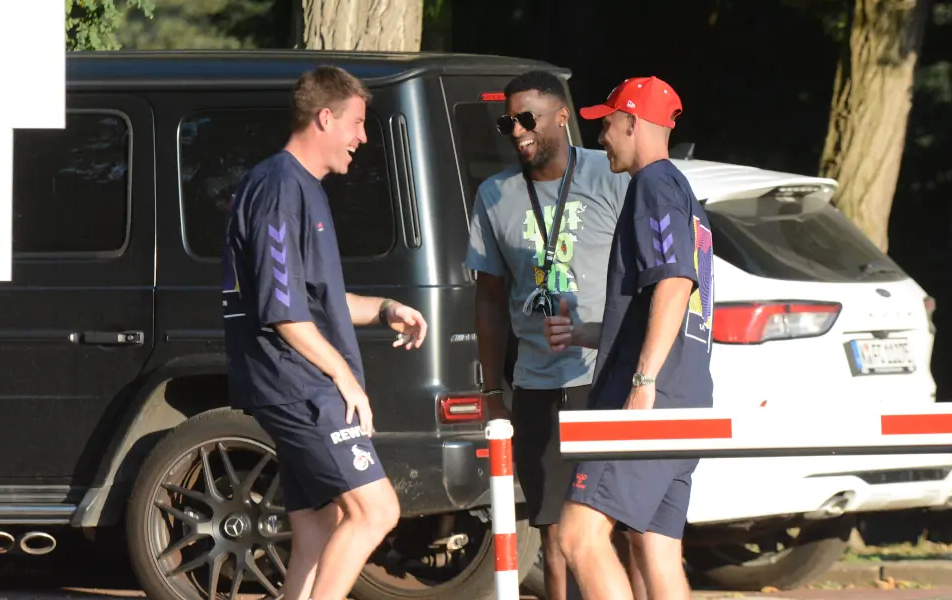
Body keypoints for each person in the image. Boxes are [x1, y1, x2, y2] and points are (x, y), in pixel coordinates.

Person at [222, 65, 429, 600]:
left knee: (319, 530)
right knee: (377, 510)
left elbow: (319, 302)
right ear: (324, 117)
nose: (363, 137)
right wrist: (345, 378)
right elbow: (283, 312)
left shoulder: (302, 189)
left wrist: (385, 310)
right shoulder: (276, 187)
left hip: (302, 384)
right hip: (298, 387)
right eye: (357, 123)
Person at [464, 70, 637, 600]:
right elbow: (489, 299)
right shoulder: (495, 195)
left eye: (527, 118)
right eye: (507, 121)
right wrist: (494, 391)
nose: (516, 131)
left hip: (604, 380)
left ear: (562, 116)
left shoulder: (610, 178)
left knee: (617, 526)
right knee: (554, 532)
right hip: (537, 385)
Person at [545, 76, 715, 600]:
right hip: (687, 398)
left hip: (650, 399)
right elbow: (662, 305)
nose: (601, 136)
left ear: (634, 122)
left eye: (608, 123)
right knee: (655, 549)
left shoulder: (653, 186)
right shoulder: (684, 194)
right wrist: (586, 333)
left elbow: (674, 281)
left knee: (577, 535)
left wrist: (641, 381)